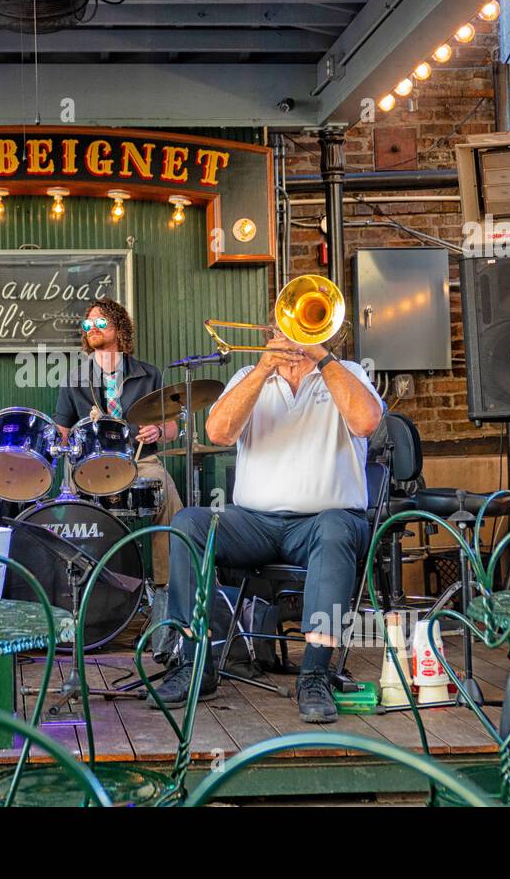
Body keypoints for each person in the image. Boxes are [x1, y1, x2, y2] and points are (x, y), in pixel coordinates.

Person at [149, 326, 383, 723]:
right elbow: (218, 432)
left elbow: (365, 423)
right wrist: (262, 369)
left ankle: (315, 671)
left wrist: (320, 357)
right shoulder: (248, 377)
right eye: (285, 330)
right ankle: (194, 663)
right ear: (271, 334)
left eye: (303, 330)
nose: (293, 339)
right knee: (189, 522)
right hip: (255, 522)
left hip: (326, 520)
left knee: (335, 529)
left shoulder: (348, 372)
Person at [52, 299, 182, 585]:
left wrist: (158, 432)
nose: (93, 328)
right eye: (88, 325)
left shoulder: (149, 374)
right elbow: (60, 432)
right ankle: (83, 589)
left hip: (141, 461)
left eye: (101, 323)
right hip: (90, 465)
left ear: (119, 327)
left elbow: (171, 428)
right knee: (72, 506)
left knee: (169, 499)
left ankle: (168, 589)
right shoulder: (74, 379)